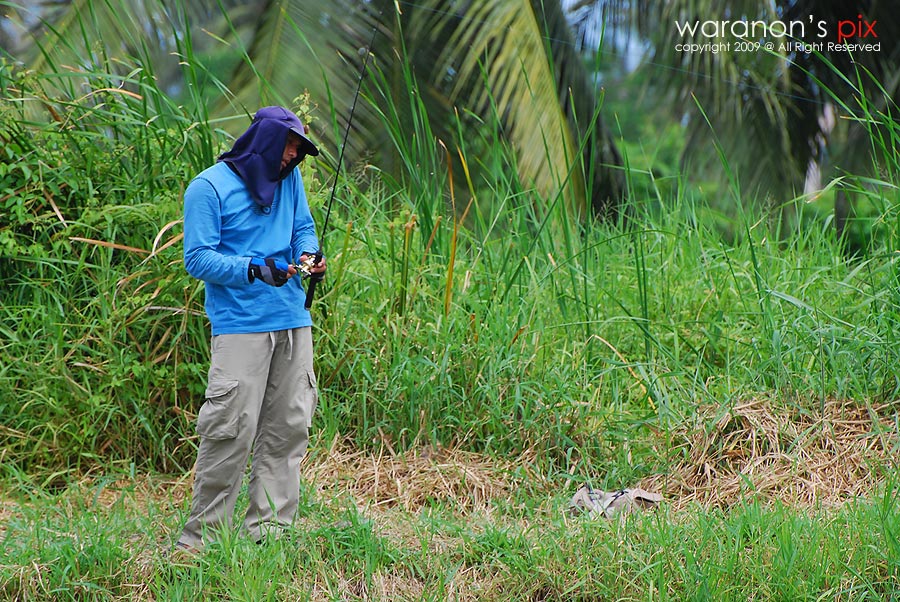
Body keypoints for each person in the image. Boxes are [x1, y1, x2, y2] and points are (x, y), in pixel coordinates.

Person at [177, 106, 326, 551]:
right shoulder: (207, 188)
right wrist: (254, 269)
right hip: (240, 328)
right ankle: (199, 546)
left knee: (288, 429)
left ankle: (269, 539)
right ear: (262, 143)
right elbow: (197, 258)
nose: (291, 160)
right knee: (230, 433)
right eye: (287, 150)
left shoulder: (291, 180)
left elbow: (303, 227)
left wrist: (309, 256)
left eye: (297, 153)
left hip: (294, 323)